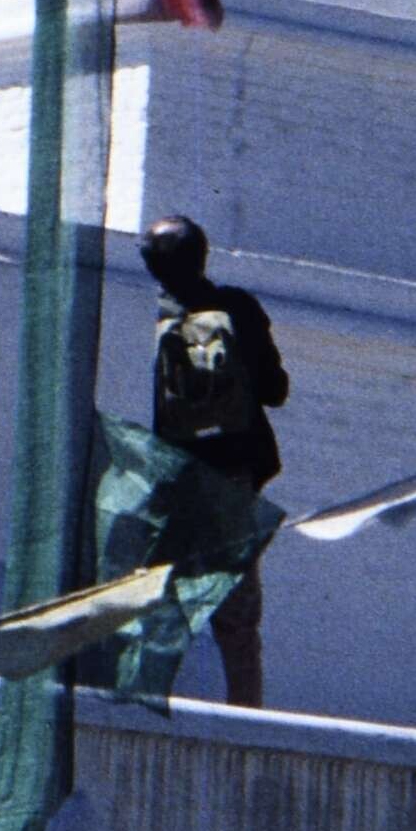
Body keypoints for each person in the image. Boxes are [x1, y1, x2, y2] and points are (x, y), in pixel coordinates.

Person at [139, 214, 287, 705]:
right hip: (233, 477)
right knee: (237, 616)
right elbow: (276, 390)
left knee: (160, 597)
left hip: (173, 479)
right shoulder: (237, 308)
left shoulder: (155, 317)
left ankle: (145, 700)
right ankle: (246, 712)